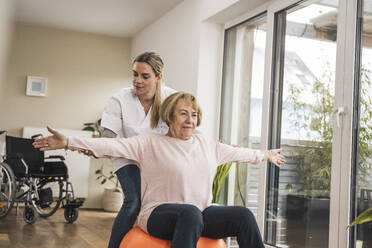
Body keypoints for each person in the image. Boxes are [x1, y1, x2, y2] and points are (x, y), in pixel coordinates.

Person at [33, 92, 286, 248]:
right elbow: (110, 143)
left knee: (242, 215)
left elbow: (239, 153)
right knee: (189, 214)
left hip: (198, 215)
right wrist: (68, 141)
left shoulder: (208, 146)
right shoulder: (149, 143)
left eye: (194, 115)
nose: (190, 120)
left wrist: (264, 155)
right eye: (183, 113)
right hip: (157, 216)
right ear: (170, 117)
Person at [98, 51, 176, 248]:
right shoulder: (119, 99)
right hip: (127, 157)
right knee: (133, 203)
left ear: (159, 78)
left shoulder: (172, 98)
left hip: (158, 160)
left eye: (145, 76)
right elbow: (108, 134)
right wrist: (97, 147)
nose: (137, 80)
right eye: (135, 74)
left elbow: (191, 129)